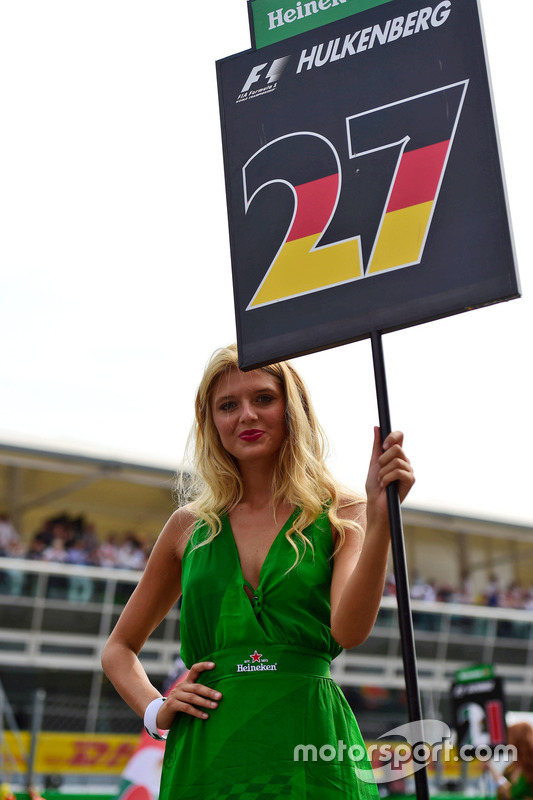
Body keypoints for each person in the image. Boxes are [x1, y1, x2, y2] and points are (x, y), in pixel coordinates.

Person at [101, 344, 415, 799]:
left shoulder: (345, 510)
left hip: (310, 744)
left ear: (293, 408)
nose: (246, 415)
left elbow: (348, 630)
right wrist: (155, 710)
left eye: (263, 398)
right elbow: (118, 649)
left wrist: (383, 523)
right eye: (228, 405)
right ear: (211, 422)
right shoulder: (187, 526)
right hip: (207, 754)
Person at [484, 722, 533, 800]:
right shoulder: (511, 769)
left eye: (509, 739)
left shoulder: (528, 768)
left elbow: (508, 791)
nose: (506, 743)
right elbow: (507, 791)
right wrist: (490, 768)